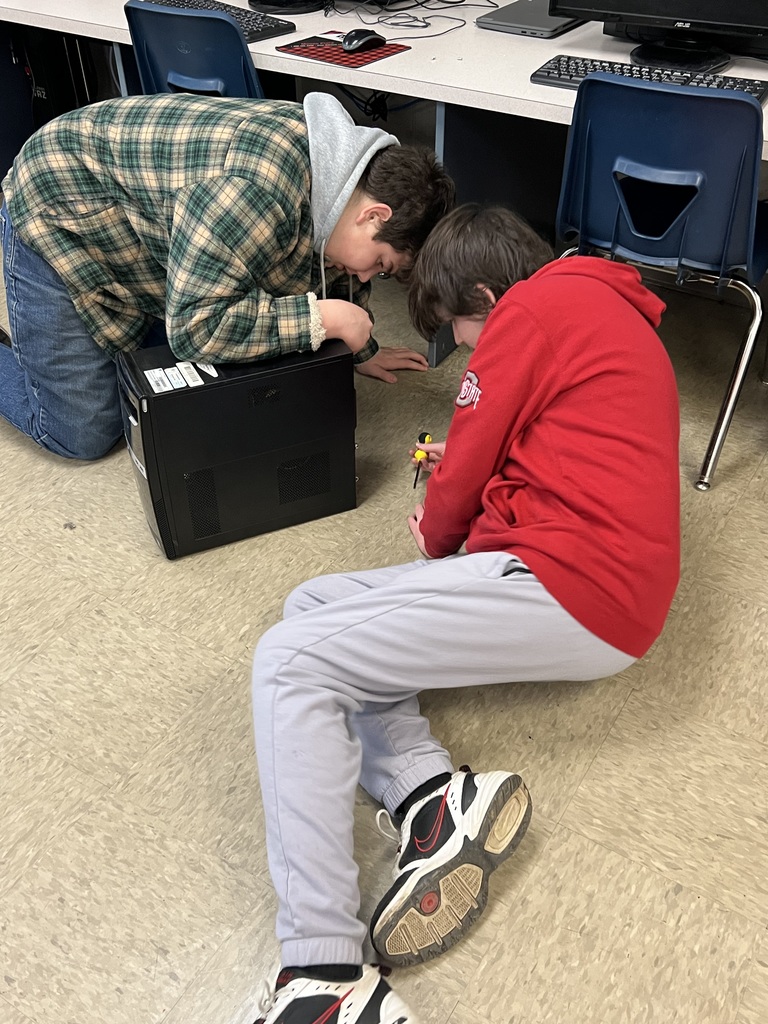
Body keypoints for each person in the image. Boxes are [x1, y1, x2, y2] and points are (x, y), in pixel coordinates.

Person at [248, 204, 680, 1024]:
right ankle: (431, 800)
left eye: (463, 334)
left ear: (486, 295)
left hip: (570, 578)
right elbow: (557, 441)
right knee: (313, 605)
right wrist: (490, 461)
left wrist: (438, 534)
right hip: (595, 573)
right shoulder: (595, 305)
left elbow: (460, 484)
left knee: (289, 661)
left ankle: (324, 973)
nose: (470, 350)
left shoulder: (533, 307)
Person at [0, 91, 455, 460]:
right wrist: (322, 320)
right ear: (374, 215)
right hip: (58, 209)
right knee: (83, 433)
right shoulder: (253, 190)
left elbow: (336, 269)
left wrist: (361, 349)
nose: (367, 275)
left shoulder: (344, 179)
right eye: (380, 263)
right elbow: (195, 329)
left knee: (166, 386)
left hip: (145, 236)